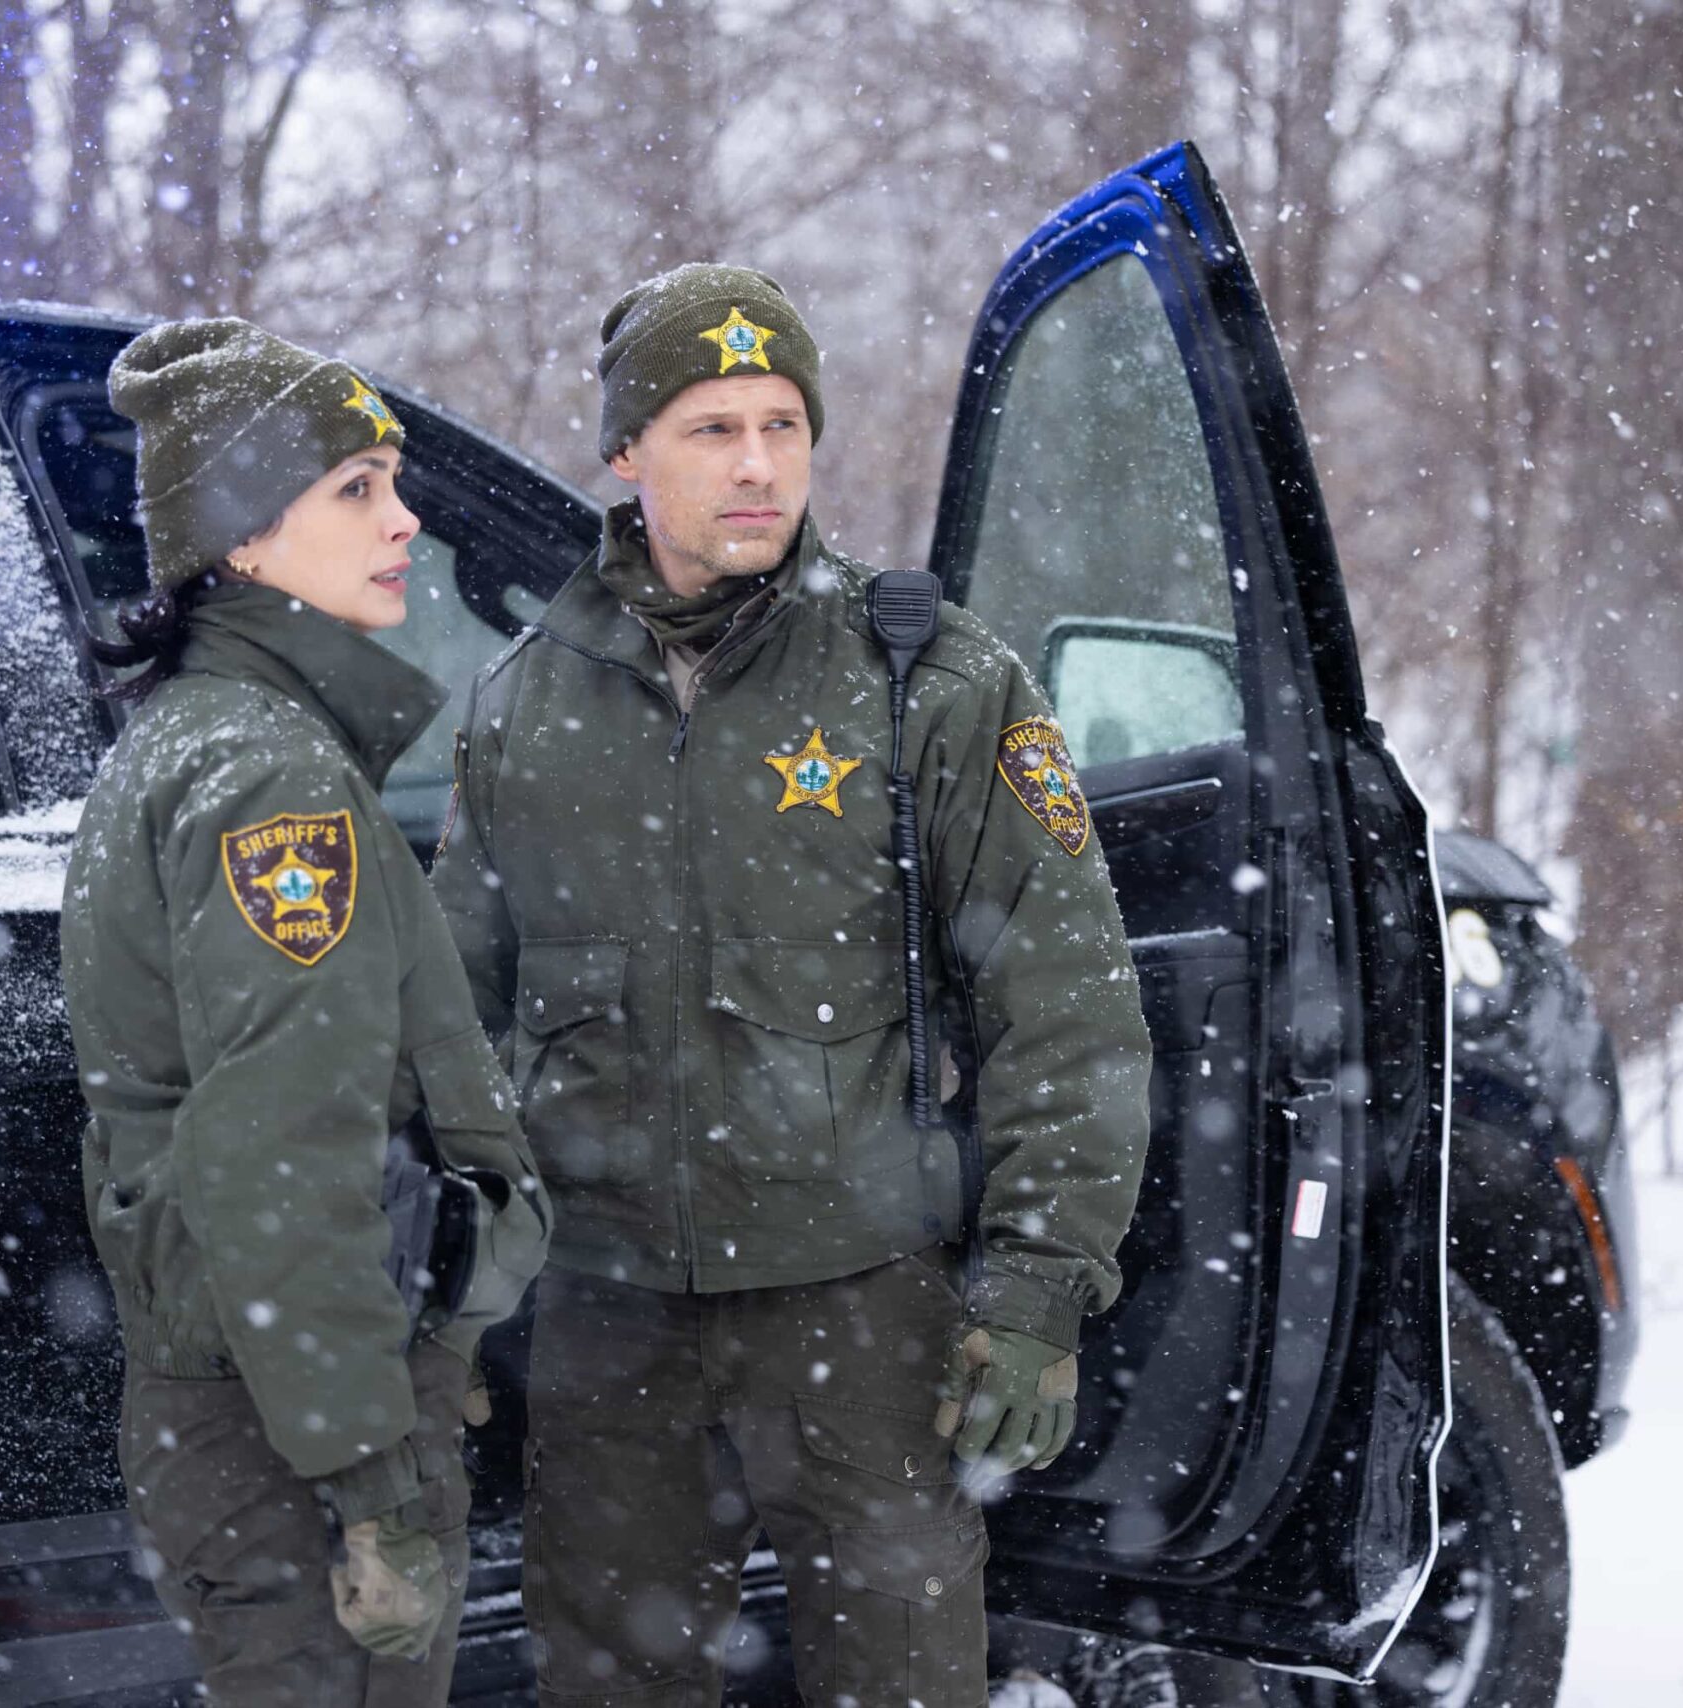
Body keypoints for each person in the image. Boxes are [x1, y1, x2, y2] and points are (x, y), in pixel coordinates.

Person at [431, 264, 1155, 1708]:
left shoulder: (930, 680)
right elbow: (450, 1028)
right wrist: (440, 1295)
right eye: (712, 429)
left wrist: (1035, 1286)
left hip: (863, 1318)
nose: (758, 465)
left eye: (783, 425)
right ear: (626, 451)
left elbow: (1066, 1005)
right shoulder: (525, 703)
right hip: (610, 1321)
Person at [61, 318, 551, 1707]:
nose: (406, 521)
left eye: (392, 483)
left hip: (248, 1413)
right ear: (242, 541)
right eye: (357, 490)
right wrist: (373, 1479)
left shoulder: (199, 737)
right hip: (297, 1448)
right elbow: (277, 1153)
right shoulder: (274, 780)